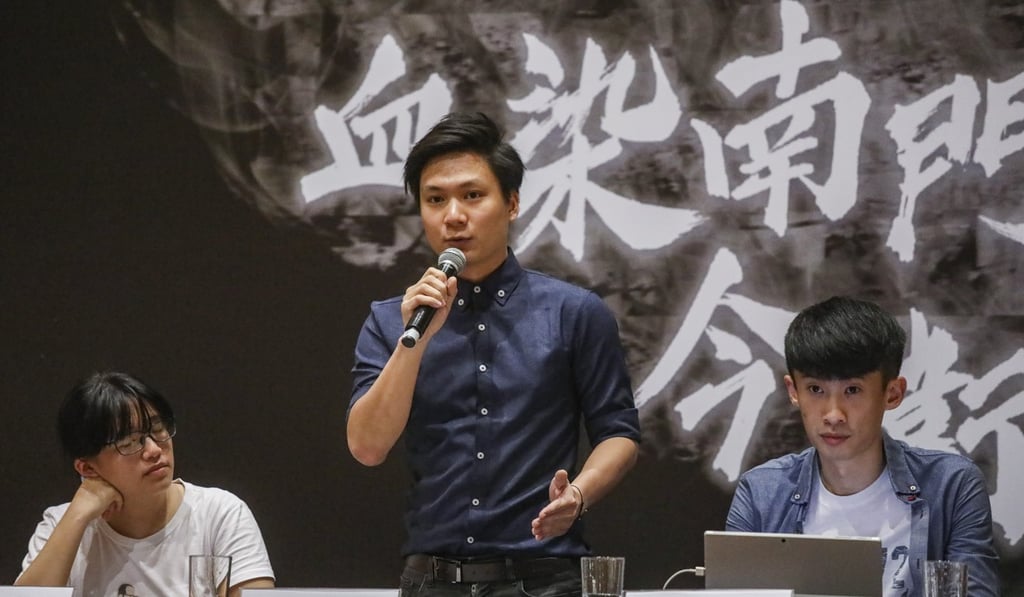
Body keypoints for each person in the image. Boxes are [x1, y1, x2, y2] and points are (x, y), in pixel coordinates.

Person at [347, 111, 641, 597]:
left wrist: (579, 494)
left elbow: (619, 432)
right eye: (435, 199)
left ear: (512, 203)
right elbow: (367, 446)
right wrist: (415, 341)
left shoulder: (573, 312)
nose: (453, 215)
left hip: (543, 579)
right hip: (432, 581)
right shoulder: (391, 320)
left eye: (472, 195)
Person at [726, 296, 1000, 597]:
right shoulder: (761, 493)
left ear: (892, 393)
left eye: (852, 390)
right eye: (815, 389)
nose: (833, 415)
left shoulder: (951, 485)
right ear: (794, 391)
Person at [16, 371, 276, 596]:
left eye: (158, 429)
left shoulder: (219, 515)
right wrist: (78, 515)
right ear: (88, 468)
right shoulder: (62, 525)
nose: (153, 450)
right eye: (129, 442)